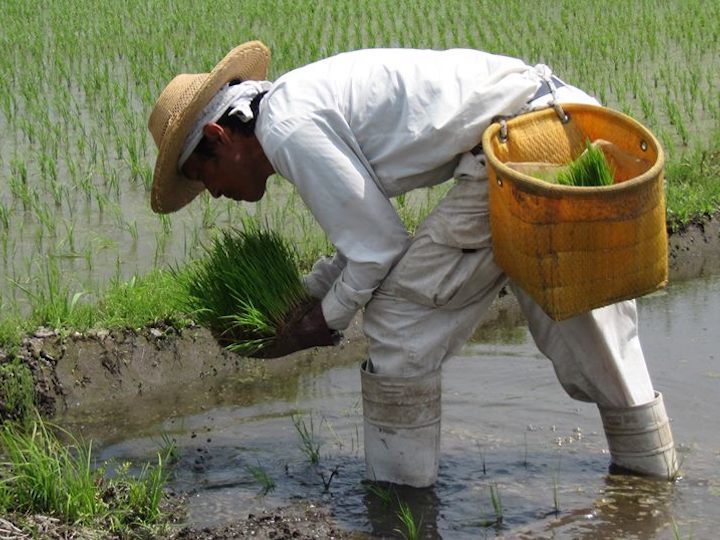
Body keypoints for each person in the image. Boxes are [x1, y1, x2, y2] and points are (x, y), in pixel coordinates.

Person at [148, 40, 679, 487]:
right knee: (586, 321)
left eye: (201, 176)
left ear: (219, 138)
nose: (211, 194)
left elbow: (378, 247)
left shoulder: (286, 129)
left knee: (399, 320)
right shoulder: (295, 105)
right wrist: (311, 295)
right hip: (567, 127)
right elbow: (366, 231)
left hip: (517, 147)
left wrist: (321, 323)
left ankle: (399, 499)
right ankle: (653, 480)